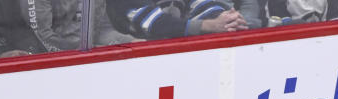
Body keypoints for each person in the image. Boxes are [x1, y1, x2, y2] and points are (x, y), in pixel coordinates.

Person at [105, 0, 265, 40]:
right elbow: (153, 23)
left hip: (176, 57)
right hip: (135, 65)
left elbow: (199, 4)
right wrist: (208, 25)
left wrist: (226, 18)